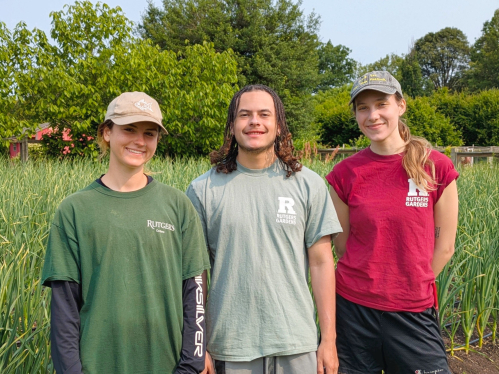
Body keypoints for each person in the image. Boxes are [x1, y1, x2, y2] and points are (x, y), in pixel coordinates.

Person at [42, 92, 210, 374]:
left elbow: (195, 292)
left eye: (150, 133)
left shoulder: (178, 206)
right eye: (129, 129)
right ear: (107, 132)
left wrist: (190, 366)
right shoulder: (74, 210)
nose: (139, 141)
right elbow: (64, 310)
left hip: (168, 367)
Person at [186, 85, 343, 374]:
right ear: (232, 126)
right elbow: (197, 273)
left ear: (279, 125)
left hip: (296, 342)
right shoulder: (202, 190)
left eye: (264, 114)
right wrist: (198, 344)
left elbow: (322, 263)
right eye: (244, 114)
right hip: (230, 345)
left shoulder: (308, 185)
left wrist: (329, 340)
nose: (254, 121)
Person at [326, 71, 459, 374]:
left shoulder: (436, 166)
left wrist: (411, 282)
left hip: (412, 311)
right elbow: (343, 246)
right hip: (353, 310)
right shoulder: (344, 174)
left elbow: (445, 245)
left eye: (381, 104)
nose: (372, 115)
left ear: (400, 105)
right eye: (363, 108)